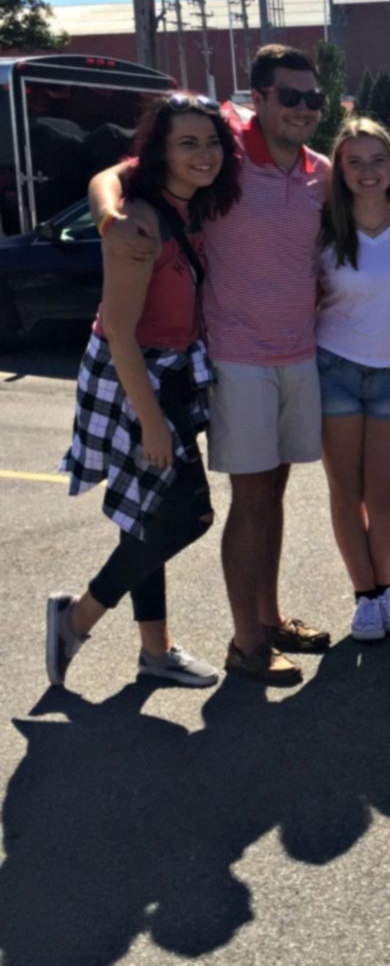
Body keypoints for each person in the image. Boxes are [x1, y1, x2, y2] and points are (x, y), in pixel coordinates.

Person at [92, 44, 332, 685]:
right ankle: (246, 643)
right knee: (249, 500)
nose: (303, 108)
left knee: (274, 494)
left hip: (298, 355)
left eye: (313, 98)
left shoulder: (321, 171)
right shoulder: (223, 157)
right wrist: (109, 215)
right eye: (289, 96)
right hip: (236, 359)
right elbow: (118, 174)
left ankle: (270, 618)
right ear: (260, 98)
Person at [49, 93, 242, 689]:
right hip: (136, 377)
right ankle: (77, 617)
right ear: (160, 150)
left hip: (174, 370)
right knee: (190, 515)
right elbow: (120, 332)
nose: (204, 153)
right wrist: (152, 419)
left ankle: (155, 651)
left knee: (149, 512)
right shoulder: (139, 223)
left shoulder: (186, 202)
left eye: (211, 142)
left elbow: (106, 174)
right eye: (187, 143)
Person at [316, 118, 390, 640]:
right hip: (333, 369)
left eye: (377, 159)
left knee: (385, 497)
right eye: (354, 161)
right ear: (339, 169)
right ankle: (363, 598)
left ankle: (385, 591)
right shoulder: (323, 226)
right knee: (346, 492)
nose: (367, 171)